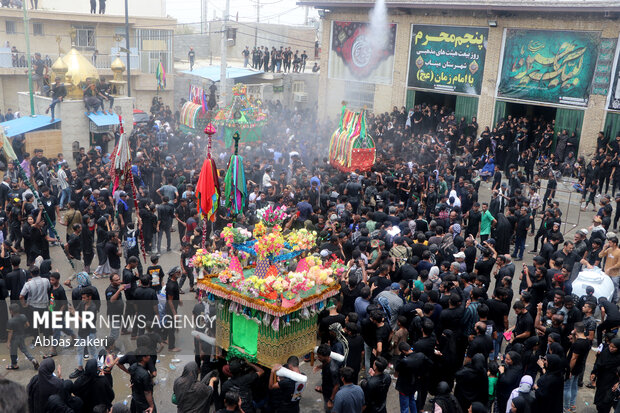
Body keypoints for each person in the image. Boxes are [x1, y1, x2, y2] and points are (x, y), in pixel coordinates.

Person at [6, 303, 38, 370]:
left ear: (11, 311)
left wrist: (8, 342)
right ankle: (33, 359)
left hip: (14, 339)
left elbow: (10, 333)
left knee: (13, 352)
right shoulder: (23, 316)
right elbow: (27, 325)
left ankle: (14, 365)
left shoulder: (10, 321)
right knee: (24, 350)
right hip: (22, 336)